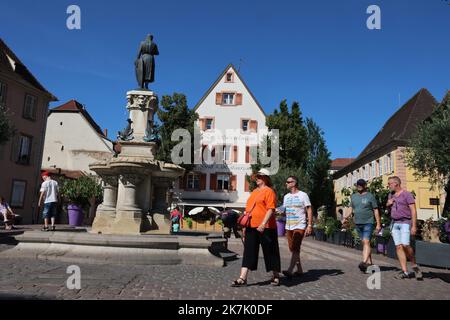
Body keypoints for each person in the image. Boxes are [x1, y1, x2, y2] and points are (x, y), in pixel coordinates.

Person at [231, 168, 281, 287]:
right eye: (257, 177)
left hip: (267, 227)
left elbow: (271, 209)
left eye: (259, 176)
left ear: (265, 178)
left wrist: (263, 223)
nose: (257, 179)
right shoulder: (254, 192)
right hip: (251, 226)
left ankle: (276, 276)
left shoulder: (269, 191)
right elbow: (248, 210)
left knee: (270, 252)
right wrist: (244, 226)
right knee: (249, 252)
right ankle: (242, 278)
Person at [386, 176, 423, 280]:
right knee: (398, 246)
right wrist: (388, 204)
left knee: (406, 245)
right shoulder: (391, 195)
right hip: (394, 224)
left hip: (405, 222)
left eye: (389, 184)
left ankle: (414, 265)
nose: (388, 186)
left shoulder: (407, 194)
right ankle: (405, 271)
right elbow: (388, 207)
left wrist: (414, 226)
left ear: (396, 184)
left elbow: (413, 210)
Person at [279, 176, 313, 279]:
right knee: (293, 249)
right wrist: (278, 210)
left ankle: (290, 270)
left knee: (295, 248)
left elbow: (309, 209)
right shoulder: (286, 196)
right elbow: (283, 209)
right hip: (288, 226)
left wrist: (309, 225)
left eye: (288, 182)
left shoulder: (303, 195)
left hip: (300, 225)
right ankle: (299, 270)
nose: (286, 183)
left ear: (294, 183)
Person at [344, 179, 381, 273]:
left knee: (366, 241)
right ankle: (370, 264)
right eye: (358, 185)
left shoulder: (370, 196)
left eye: (361, 185)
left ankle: (363, 263)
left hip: (368, 222)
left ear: (365, 186)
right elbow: (351, 208)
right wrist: (345, 217)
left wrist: (378, 224)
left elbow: (375, 210)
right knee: (365, 244)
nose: (359, 186)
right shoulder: (354, 196)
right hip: (358, 223)